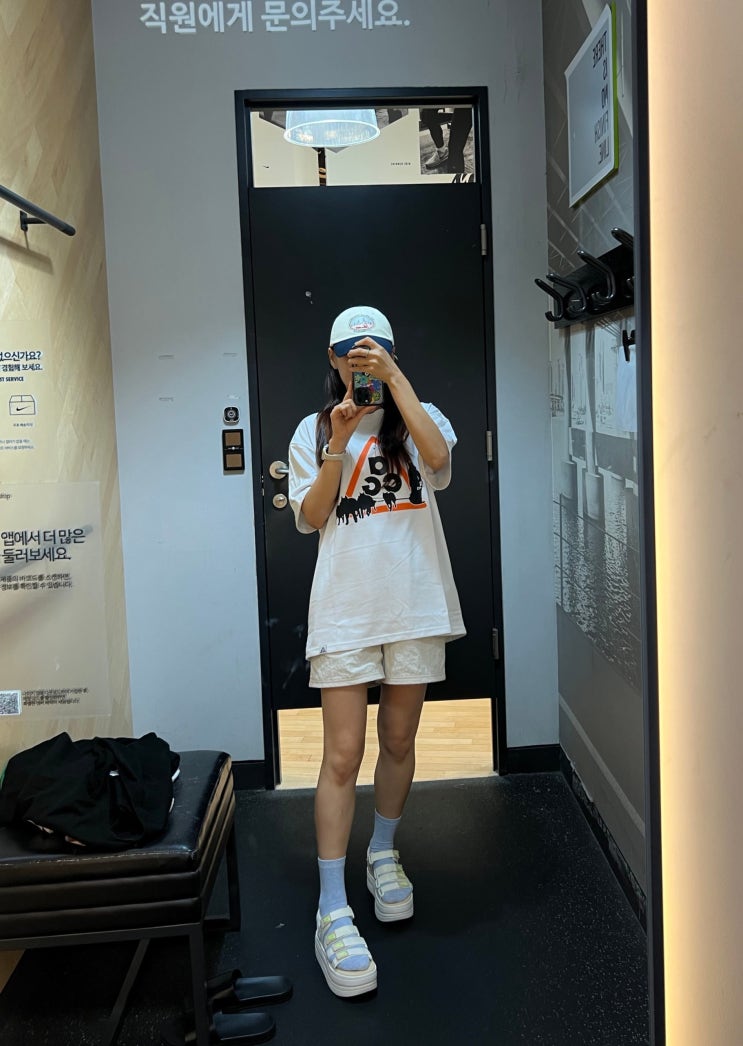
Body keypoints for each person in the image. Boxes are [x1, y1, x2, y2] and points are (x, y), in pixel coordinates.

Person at [288, 306, 465, 998]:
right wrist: (337, 441)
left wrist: (396, 384)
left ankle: (383, 852)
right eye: (352, 355)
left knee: (397, 739)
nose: (362, 364)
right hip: (345, 608)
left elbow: (439, 460)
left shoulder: (422, 416)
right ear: (332, 360)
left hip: (413, 603)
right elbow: (312, 516)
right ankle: (331, 905)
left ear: (390, 355)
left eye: (375, 353)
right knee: (341, 754)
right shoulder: (313, 430)